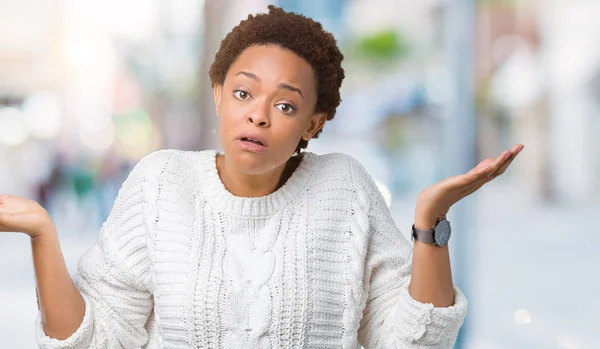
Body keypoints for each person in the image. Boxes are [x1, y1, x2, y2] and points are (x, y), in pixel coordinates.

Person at [0, 5, 524, 348]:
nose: (258, 115)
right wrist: (43, 231)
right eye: (244, 93)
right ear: (218, 96)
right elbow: (96, 338)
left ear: (313, 124)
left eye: (286, 105)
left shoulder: (345, 190)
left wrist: (431, 222)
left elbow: (414, 340)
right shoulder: (160, 183)